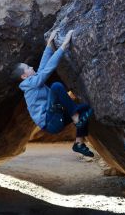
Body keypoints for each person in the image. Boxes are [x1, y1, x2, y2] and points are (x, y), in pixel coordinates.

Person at [12, 29, 94, 157]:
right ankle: (75, 118)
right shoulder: (30, 85)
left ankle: (79, 143)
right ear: (24, 76)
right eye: (28, 68)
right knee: (56, 86)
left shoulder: (32, 81)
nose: (31, 67)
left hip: (55, 117)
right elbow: (48, 69)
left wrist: (50, 44)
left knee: (86, 109)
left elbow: (43, 65)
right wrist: (64, 45)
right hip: (50, 121)